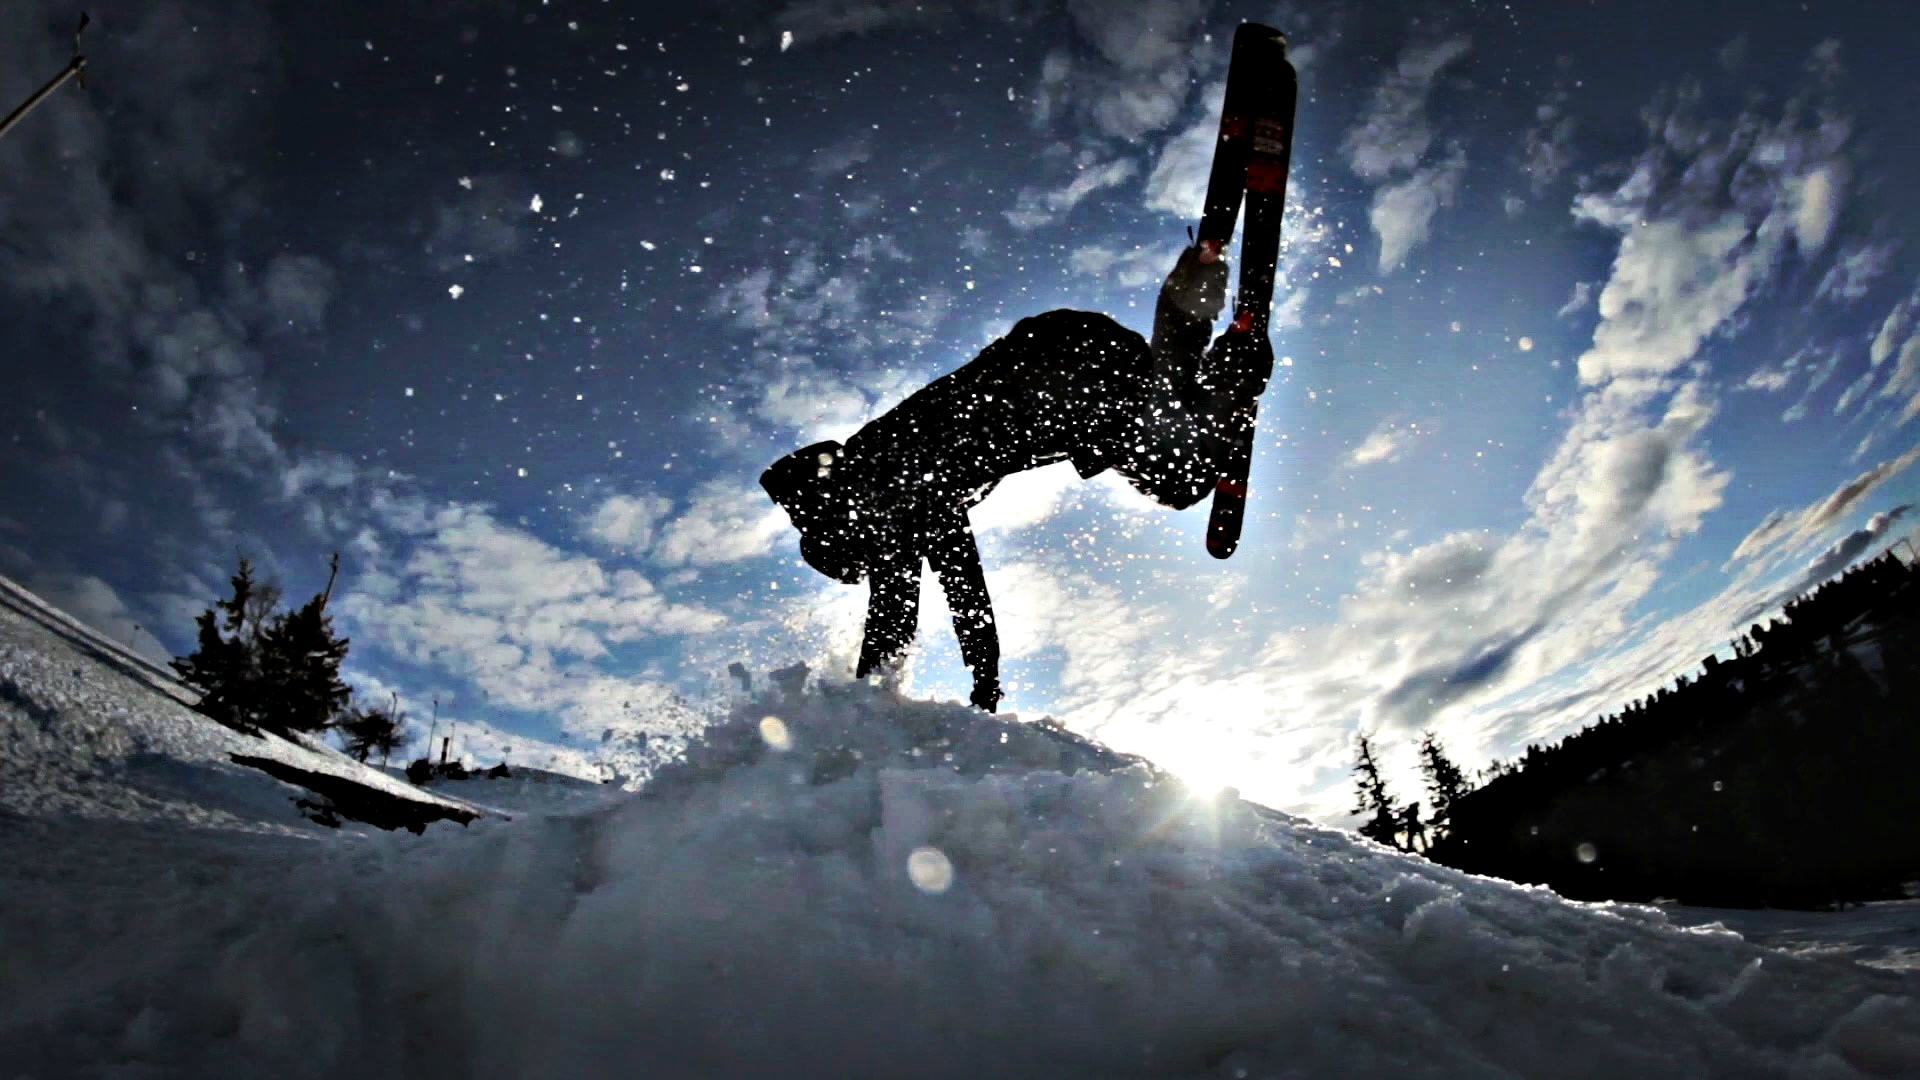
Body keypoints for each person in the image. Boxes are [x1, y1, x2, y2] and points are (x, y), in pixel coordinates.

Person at [760, 242, 1274, 711]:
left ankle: (1239, 362)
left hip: (1061, 386)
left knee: (1177, 479)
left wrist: (960, 685)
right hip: (1060, 346)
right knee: (1161, 393)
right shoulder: (879, 458)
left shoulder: (881, 501)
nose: (878, 568)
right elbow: (954, 576)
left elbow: (910, 608)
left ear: (845, 536)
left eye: (863, 566)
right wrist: (983, 670)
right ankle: (1200, 276)